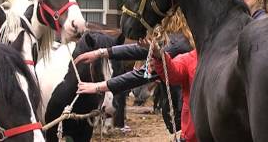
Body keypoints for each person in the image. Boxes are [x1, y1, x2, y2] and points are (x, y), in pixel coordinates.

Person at [76, 8, 195, 138]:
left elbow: (140, 75)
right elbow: (139, 50)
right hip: (184, 114)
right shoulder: (180, 40)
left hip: (185, 116)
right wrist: (101, 52)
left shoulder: (176, 44)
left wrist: (98, 86)